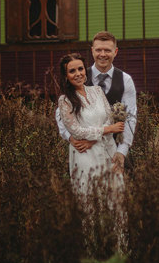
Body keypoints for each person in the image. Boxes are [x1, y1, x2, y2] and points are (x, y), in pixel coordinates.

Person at [56, 31, 137, 175]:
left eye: (107, 50)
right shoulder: (78, 75)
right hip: (85, 151)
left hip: (114, 148)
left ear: (115, 52)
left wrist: (122, 151)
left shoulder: (126, 80)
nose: (102, 54)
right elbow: (61, 115)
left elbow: (130, 117)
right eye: (98, 49)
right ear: (92, 51)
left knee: (116, 193)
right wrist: (70, 138)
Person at [57, 52, 125, 197]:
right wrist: (108, 129)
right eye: (72, 71)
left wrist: (94, 139)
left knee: (115, 195)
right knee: (92, 196)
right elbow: (76, 131)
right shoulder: (65, 101)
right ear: (65, 76)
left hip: (107, 149)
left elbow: (109, 117)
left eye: (80, 69)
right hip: (85, 154)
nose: (78, 74)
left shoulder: (97, 91)